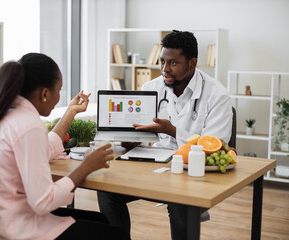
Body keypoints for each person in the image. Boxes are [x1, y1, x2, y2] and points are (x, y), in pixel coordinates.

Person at [0, 53, 129, 240]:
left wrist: (71, 112)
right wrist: (86, 166)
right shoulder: (27, 125)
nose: (59, 96)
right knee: (116, 235)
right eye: (58, 90)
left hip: (0, 223)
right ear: (44, 93)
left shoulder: (3, 115)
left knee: (101, 221)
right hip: (20, 232)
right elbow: (44, 201)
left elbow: (46, 147)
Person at [97, 30, 233, 239]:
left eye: (173, 63)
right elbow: (141, 134)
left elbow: (214, 146)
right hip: (152, 169)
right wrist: (131, 141)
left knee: (181, 201)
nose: (164, 69)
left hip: (189, 175)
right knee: (107, 190)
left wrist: (172, 131)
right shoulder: (151, 87)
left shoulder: (217, 95)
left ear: (192, 63)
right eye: (162, 61)